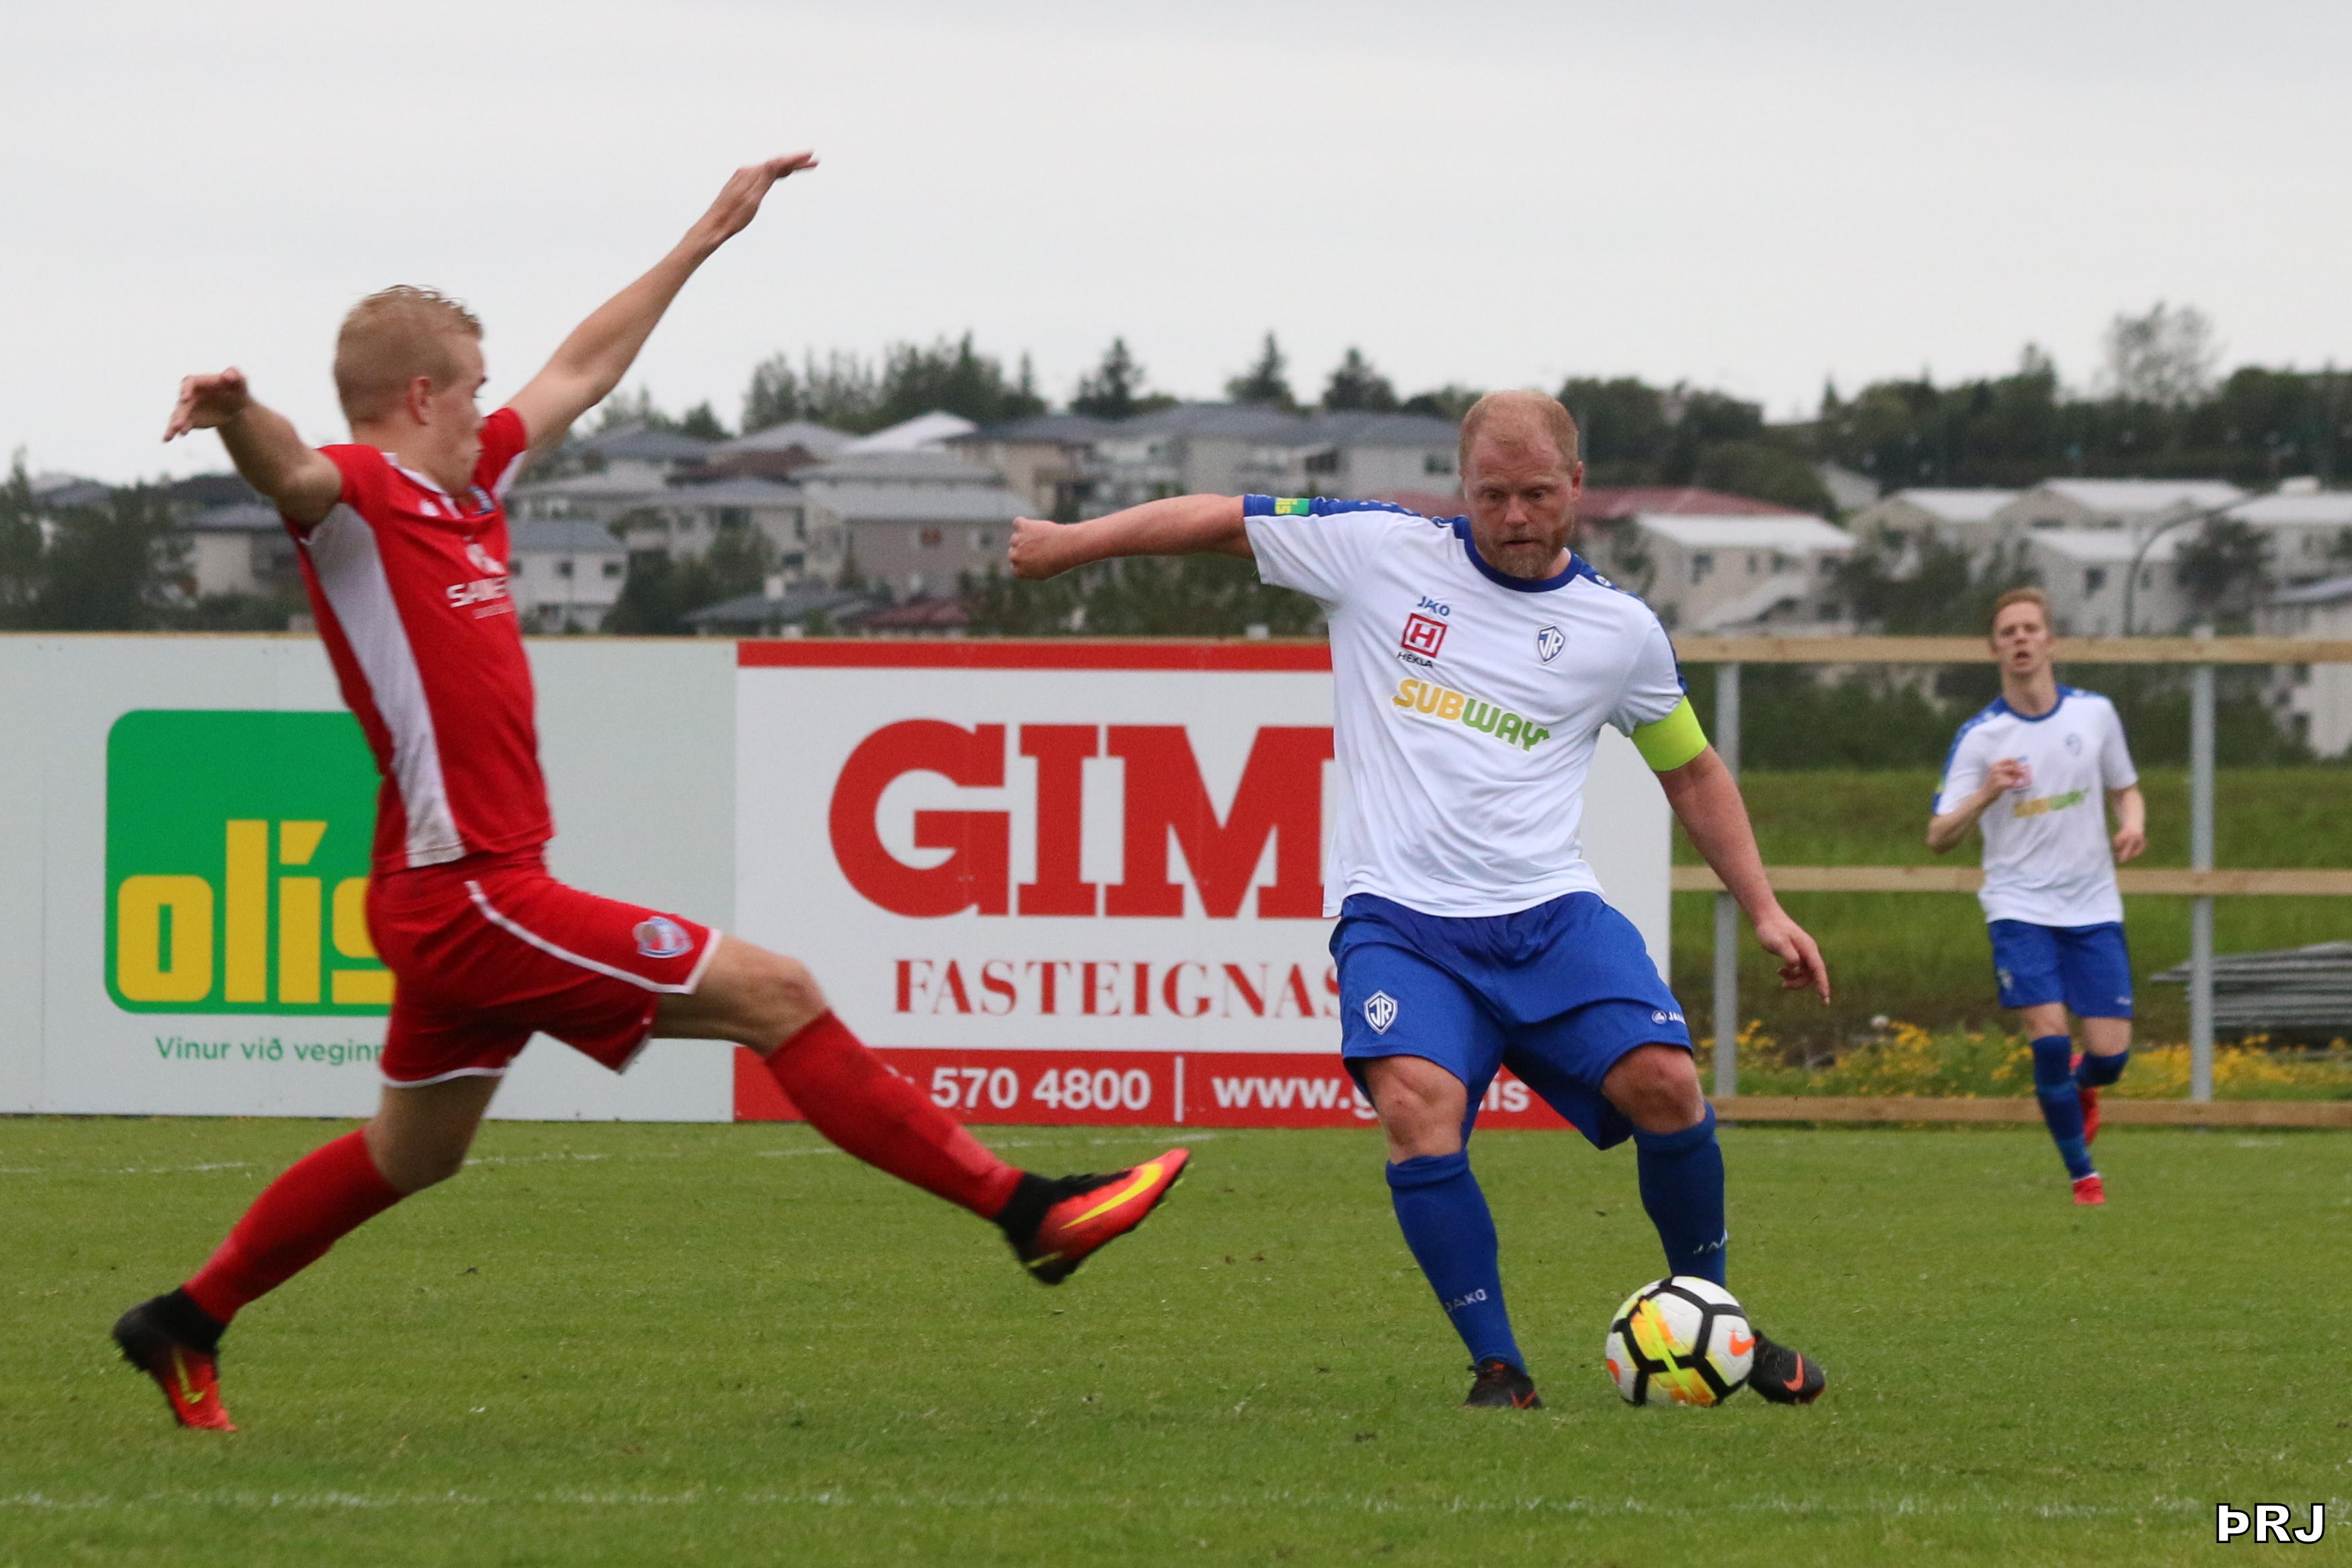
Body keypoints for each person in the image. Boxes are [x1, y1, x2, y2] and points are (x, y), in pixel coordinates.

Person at [116, 156, 1186, 1434]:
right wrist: (238, 411)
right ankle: (1031, 1213)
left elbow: (583, 366)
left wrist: (704, 236)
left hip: (450, 892)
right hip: (469, 892)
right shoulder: (358, 495)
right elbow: (288, 472)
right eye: (473, 383)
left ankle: (184, 1319)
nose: (493, 401)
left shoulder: (472, 481)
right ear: (420, 394)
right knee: (778, 994)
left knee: (414, 1153)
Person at [1007, 390, 1828, 1409]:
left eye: (1537, 493)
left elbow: (1691, 771)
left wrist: (1765, 909)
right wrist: (1071, 543)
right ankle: (1498, 1368)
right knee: (1414, 1106)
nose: (1515, 516)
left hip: (1549, 915)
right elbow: (1218, 517)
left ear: (1577, 485)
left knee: (1665, 1081)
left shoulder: (1619, 630)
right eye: (1493, 494)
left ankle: (1717, 1321)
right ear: (1461, 487)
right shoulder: (1377, 552)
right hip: (1400, 920)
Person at [1930, 588, 2144, 1206]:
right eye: (2008, 632)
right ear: (1995, 650)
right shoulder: (1981, 737)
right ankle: (2084, 1177)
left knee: (2110, 1057)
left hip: (2093, 906)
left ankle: (2084, 1084)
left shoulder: (2095, 715)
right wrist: (1987, 792)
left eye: (2030, 629)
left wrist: (2132, 824)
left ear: (2051, 642)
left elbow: (2126, 788)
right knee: (2049, 1040)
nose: (2020, 639)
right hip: (2019, 908)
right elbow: (1939, 836)